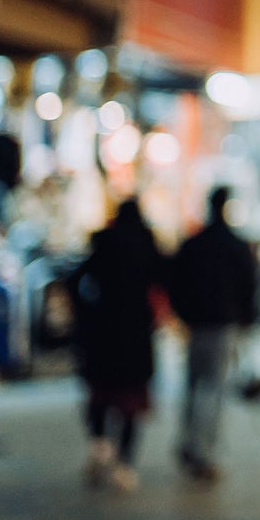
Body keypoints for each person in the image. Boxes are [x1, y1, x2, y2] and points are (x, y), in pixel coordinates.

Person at [167, 186, 259, 483]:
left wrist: (183, 314)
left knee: (193, 387)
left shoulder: (194, 243)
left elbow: (174, 280)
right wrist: (247, 320)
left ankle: (187, 443)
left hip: (197, 325)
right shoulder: (235, 245)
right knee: (215, 390)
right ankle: (204, 452)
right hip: (222, 325)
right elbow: (249, 286)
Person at [72, 199, 164, 492]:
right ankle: (124, 464)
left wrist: (85, 311)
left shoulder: (103, 242)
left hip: (102, 331)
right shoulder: (148, 246)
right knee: (131, 401)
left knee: (101, 392)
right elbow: (164, 281)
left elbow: (75, 279)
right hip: (136, 333)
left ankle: (100, 447)